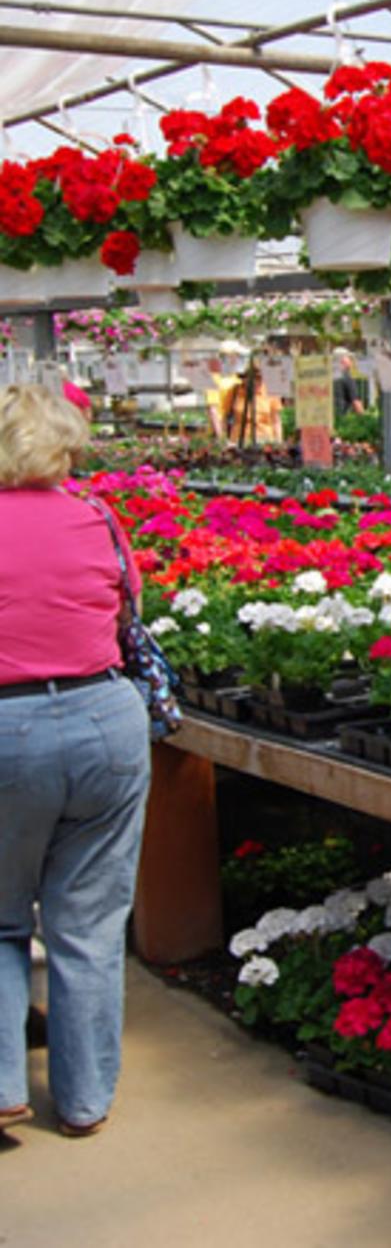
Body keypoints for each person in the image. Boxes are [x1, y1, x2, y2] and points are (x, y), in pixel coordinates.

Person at [0, 384, 151, 1139]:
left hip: (6, 727)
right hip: (105, 719)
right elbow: (129, 610)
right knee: (87, 924)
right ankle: (85, 1100)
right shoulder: (97, 516)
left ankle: (1, 1085)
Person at [332, 347, 365, 416]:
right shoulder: (346, 377)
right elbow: (356, 402)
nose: (351, 361)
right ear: (343, 360)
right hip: (340, 419)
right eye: (349, 358)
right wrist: (364, 419)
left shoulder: (328, 376)